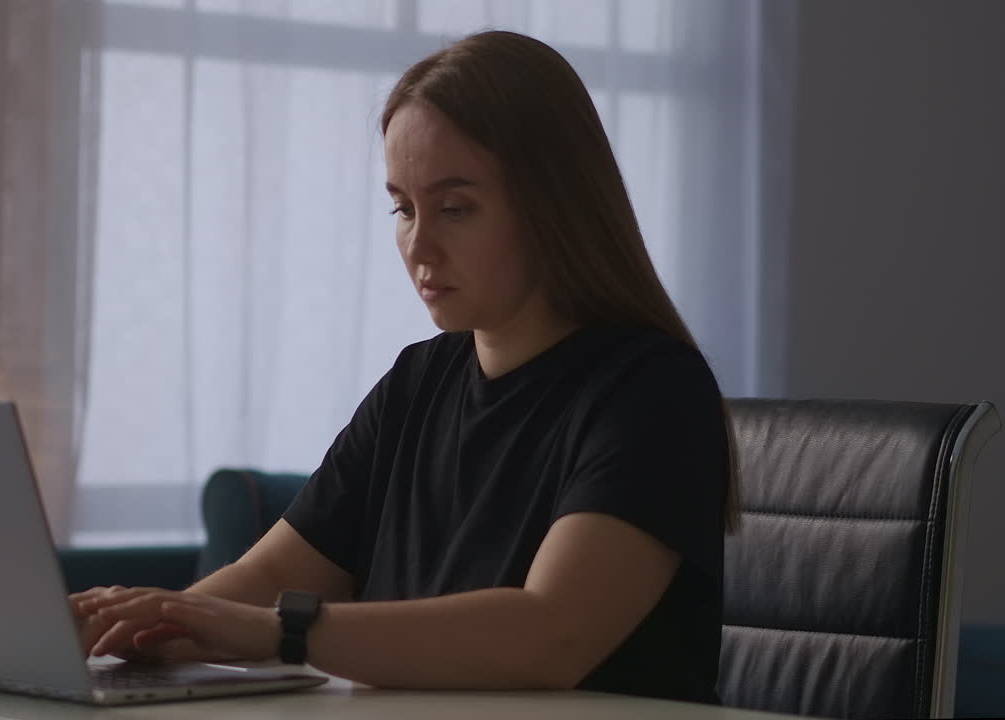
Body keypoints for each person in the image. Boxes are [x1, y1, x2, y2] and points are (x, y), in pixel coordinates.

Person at [70, 29, 736, 704]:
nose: (419, 246)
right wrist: (136, 626)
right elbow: (263, 581)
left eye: (454, 209)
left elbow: (550, 635)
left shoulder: (654, 391)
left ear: (554, 206)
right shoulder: (416, 383)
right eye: (403, 208)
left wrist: (278, 631)